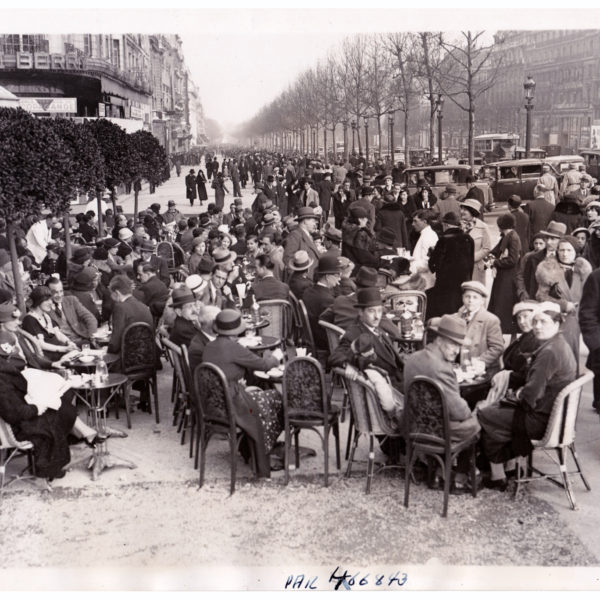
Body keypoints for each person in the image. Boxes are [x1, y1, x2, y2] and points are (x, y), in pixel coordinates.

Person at [478, 303, 577, 491]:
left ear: (557, 324)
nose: (538, 326)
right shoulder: (558, 344)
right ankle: (503, 467)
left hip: (540, 420)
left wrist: (515, 394)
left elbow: (531, 396)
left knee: (484, 413)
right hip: (555, 417)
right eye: (536, 322)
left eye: (544, 322)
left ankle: (495, 471)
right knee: (494, 411)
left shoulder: (549, 352)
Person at [0, 331, 105, 480]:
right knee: (58, 408)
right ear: (6, 349)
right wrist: (37, 407)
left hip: (16, 416)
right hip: (15, 428)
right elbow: (12, 412)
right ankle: (83, 438)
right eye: (13, 347)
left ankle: (86, 434)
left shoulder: (4, 369)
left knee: (59, 403)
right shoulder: (2, 376)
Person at [403, 314, 481, 493]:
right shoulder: (443, 369)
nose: (457, 351)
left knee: (450, 418)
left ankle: (437, 473)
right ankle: (459, 477)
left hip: (412, 426)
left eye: (459, 346)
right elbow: (459, 412)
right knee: (476, 423)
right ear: (439, 340)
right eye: (453, 344)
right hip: (437, 432)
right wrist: (470, 412)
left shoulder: (413, 358)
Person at [202, 309, 283, 478]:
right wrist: (276, 356)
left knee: (262, 398)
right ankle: (262, 452)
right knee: (274, 399)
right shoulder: (234, 348)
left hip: (214, 404)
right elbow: (264, 365)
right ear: (237, 331)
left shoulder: (209, 346)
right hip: (233, 404)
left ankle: (255, 449)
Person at [329, 288, 404, 390]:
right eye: (371, 311)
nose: (377, 316)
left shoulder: (376, 328)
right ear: (360, 312)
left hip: (399, 379)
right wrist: (348, 364)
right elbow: (334, 357)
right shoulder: (354, 333)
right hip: (389, 389)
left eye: (379, 311)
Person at [535, 235, 591, 359]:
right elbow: (541, 296)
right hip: (554, 318)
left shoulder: (583, 269)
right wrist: (564, 305)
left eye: (569, 250)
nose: (565, 254)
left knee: (571, 354)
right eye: (562, 250)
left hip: (575, 318)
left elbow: (589, 296)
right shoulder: (547, 269)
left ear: (576, 252)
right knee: (554, 354)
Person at [427, 211, 474, 319]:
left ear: (446, 225)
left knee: (445, 314)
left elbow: (433, 265)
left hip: (445, 285)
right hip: (463, 284)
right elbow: (470, 262)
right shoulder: (468, 239)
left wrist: (432, 254)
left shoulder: (444, 240)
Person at [454, 281, 504, 375]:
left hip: (482, 369)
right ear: (462, 298)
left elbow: (497, 347)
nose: (470, 300)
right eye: (467, 296)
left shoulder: (490, 320)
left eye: (475, 297)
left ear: (482, 301)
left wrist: (480, 362)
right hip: (460, 366)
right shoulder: (457, 317)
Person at [21, 286, 77, 362]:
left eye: (50, 299)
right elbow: (40, 344)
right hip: (49, 356)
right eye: (47, 300)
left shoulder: (46, 316)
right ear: (38, 301)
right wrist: (64, 349)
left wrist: (69, 342)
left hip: (60, 350)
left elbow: (58, 334)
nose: (51, 303)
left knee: (82, 351)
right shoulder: (30, 319)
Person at [487, 213, 522, 334]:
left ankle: (503, 330)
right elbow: (497, 250)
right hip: (503, 275)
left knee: (502, 304)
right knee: (499, 302)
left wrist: (495, 262)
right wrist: (491, 256)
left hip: (508, 276)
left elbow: (513, 260)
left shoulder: (513, 238)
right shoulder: (508, 235)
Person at [515, 220, 566, 301]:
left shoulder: (565, 258)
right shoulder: (533, 258)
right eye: (547, 238)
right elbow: (525, 278)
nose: (548, 242)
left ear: (560, 240)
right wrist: (523, 293)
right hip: (536, 300)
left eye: (553, 239)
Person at [107, 275, 154, 357]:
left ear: (117, 293)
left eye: (111, 293)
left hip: (128, 360)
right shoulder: (143, 305)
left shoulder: (120, 307)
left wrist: (106, 350)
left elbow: (115, 341)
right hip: (148, 357)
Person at [302, 255, 342, 351]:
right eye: (337, 275)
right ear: (327, 277)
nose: (339, 279)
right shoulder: (327, 299)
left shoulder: (308, 291)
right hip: (322, 343)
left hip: (309, 337)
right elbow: (330, 330)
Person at [46, 277, 98, 346]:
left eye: (61, 291)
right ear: (47, 292)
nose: (59, 295)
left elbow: (90, 318)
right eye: (55, 292)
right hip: (64, 345)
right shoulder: (45, 308)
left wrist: (92, 337)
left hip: (82, 339)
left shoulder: (71, 300)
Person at [282, 207, 321, 279]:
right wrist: (298, 279)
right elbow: (287, 259)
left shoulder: (307, 235)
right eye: (313, 221)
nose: (315, 224)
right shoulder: (295, 235)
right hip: (304, 282)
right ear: (305, 221)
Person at [459, 198, 490, 285]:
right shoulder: (458, 227)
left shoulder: (483, 227)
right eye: (461, 209)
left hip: (476, 268)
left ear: (472, 212)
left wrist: (471, 258)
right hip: (461, 268)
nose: (461, 211)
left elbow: (487, 248)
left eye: (465, 210)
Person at [410, 209, 438, 290]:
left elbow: (428, 261)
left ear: (424, 222)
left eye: (415, 221)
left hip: (425, 280)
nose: (413, 224)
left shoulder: (429, 236)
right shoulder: (425, 234)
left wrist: (410, 267)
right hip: (421, 277)